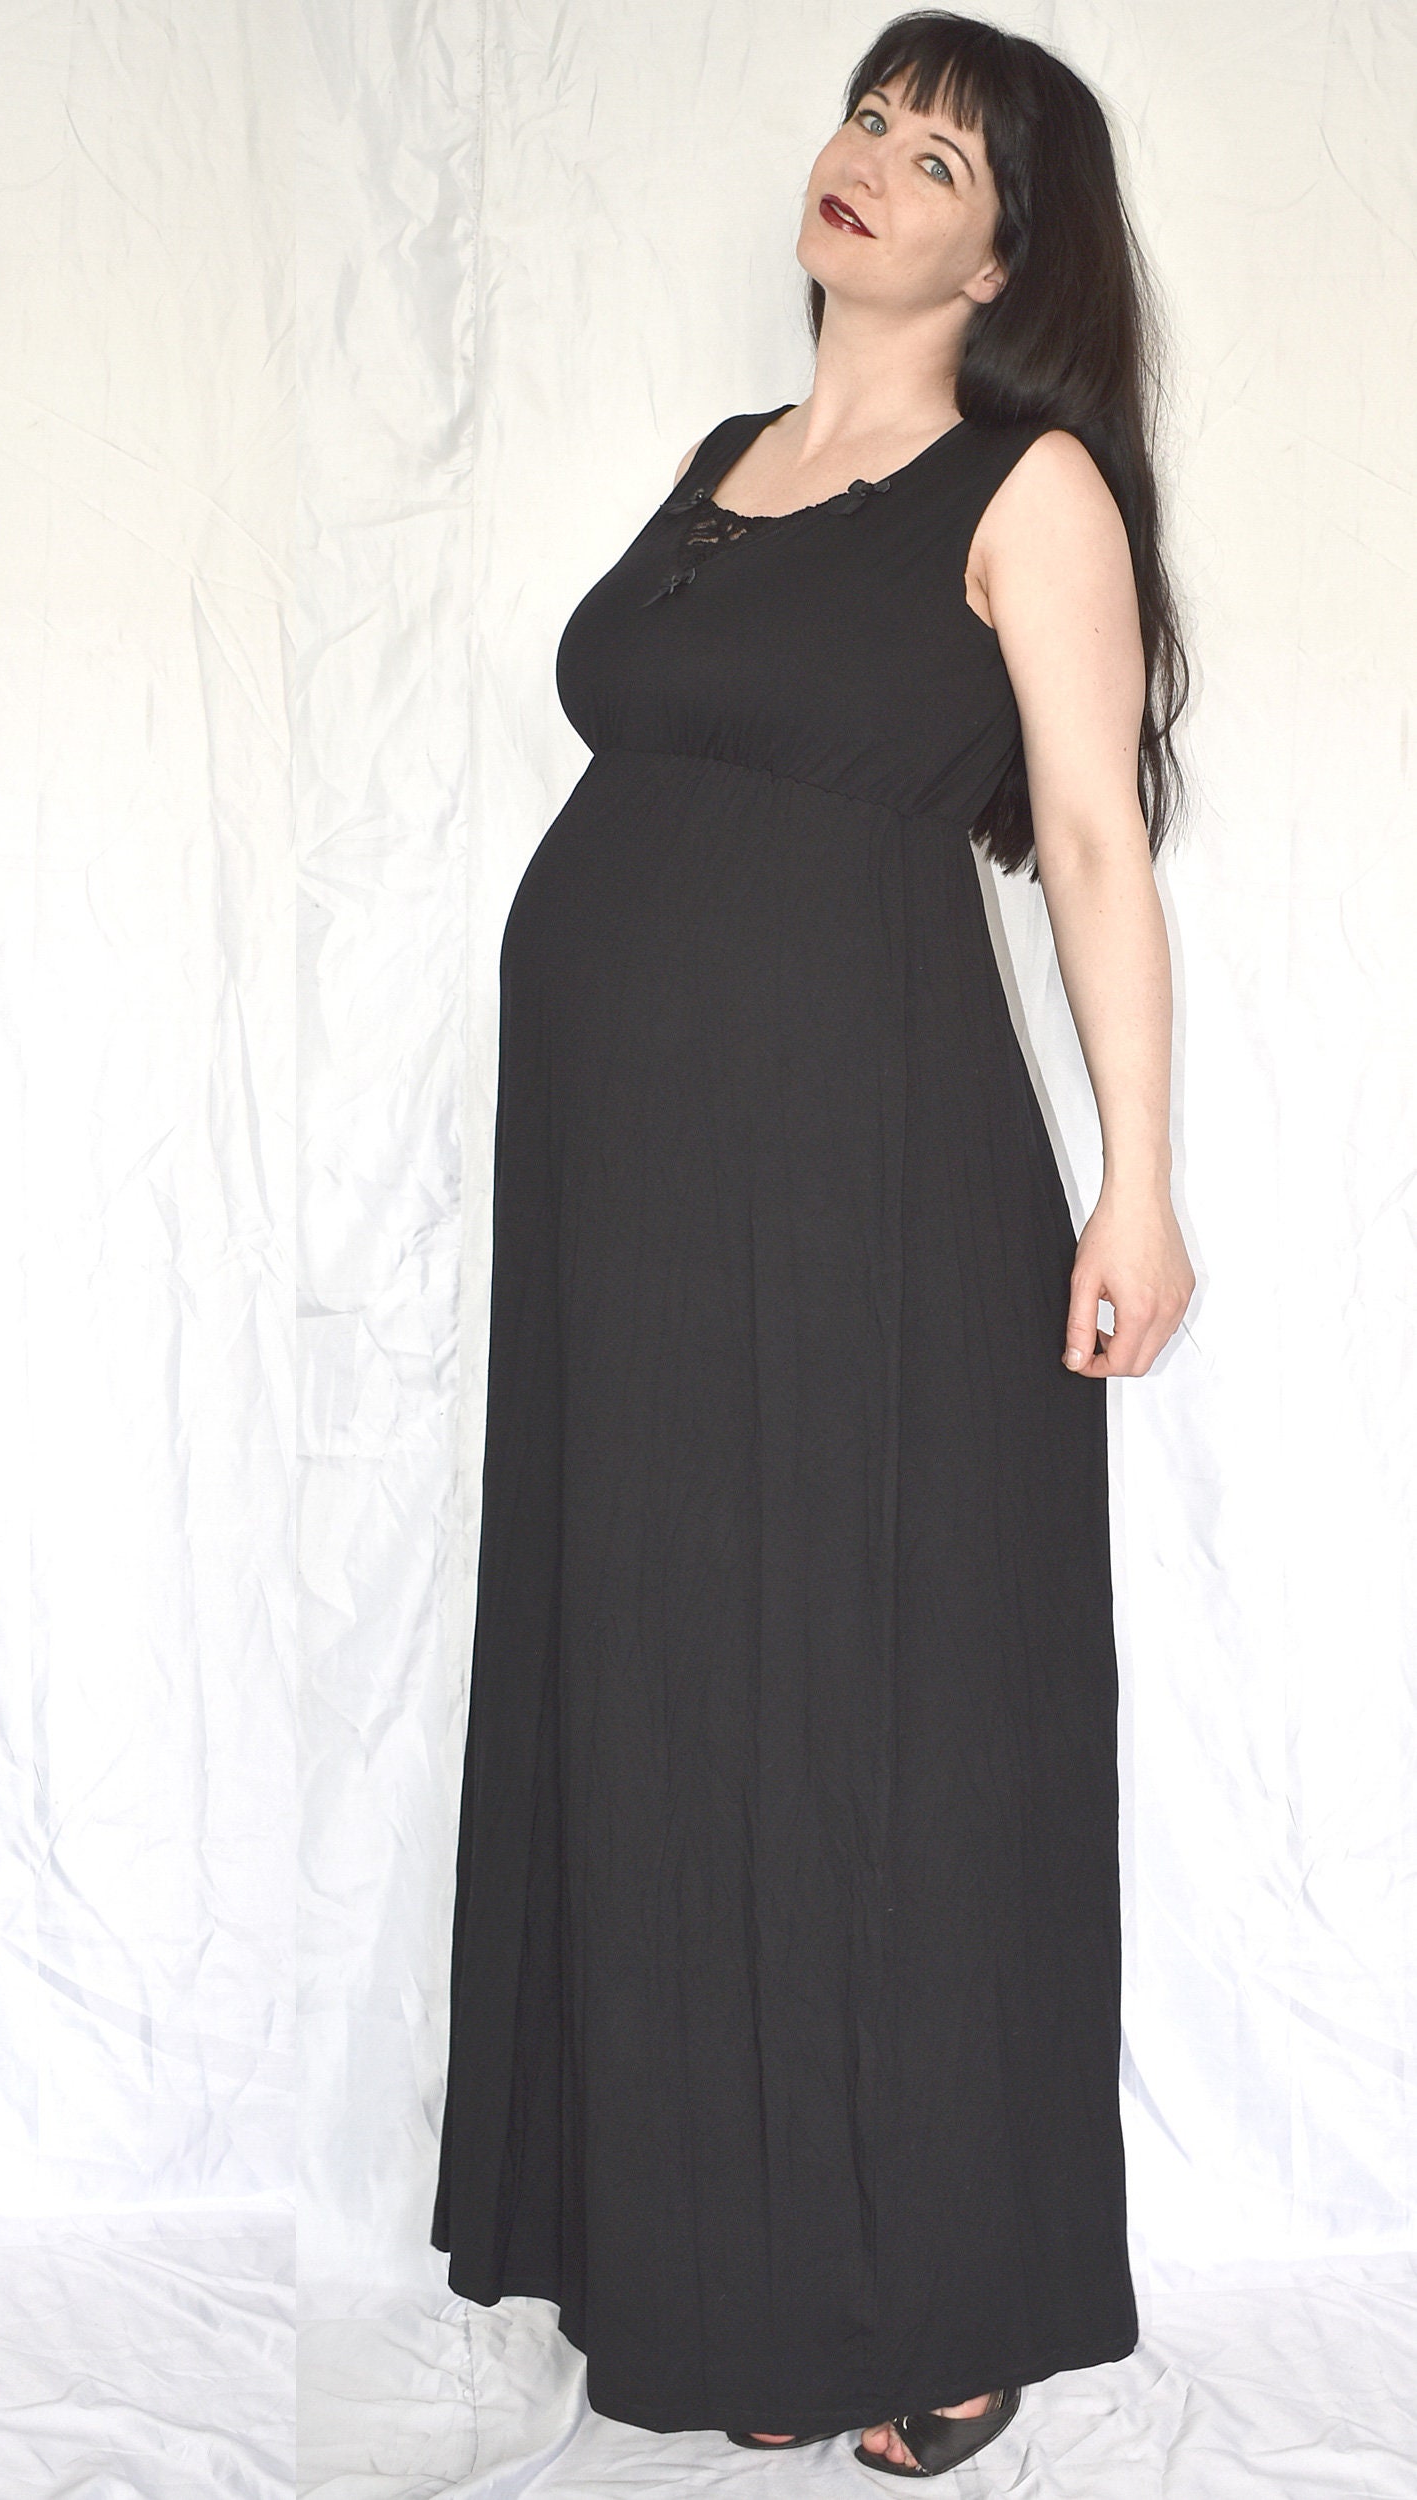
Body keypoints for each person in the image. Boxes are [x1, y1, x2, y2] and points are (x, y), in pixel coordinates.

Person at [429, 10, 1194, 2479]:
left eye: (936, 154)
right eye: (868, 115)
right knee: (668, 1680)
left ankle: (924, 2282)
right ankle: (714, 2272)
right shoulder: (714, 461)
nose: (869, 160)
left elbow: (1088, 839)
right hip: (623, 1190)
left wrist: (1136, 1175)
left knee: (871, 1702)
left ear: (1001, 258)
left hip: (856, 1172)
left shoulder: (1026, 484)